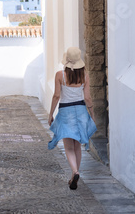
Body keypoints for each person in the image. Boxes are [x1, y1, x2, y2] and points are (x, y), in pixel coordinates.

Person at [48, 47, 97, 190]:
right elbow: (87, 97)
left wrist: (51, 114)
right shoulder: (85, 76)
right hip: (81, 111)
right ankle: (73, 175)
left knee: (68, 147)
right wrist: (92, 113)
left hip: (66, 112)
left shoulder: (60, 75)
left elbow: (56, 96)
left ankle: (75, 172)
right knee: (77, 146)